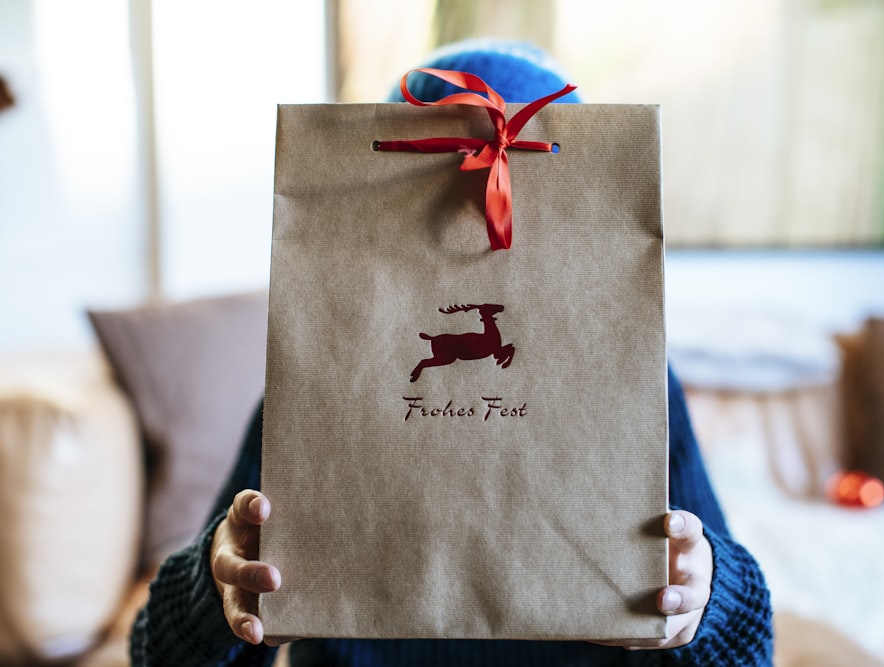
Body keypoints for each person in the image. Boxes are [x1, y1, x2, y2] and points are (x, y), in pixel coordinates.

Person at [130, 40, 773, 667]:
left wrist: (708, 597)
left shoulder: (642, 386)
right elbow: (157, 653)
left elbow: (747, 649)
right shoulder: (308, 384)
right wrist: (213, 594)